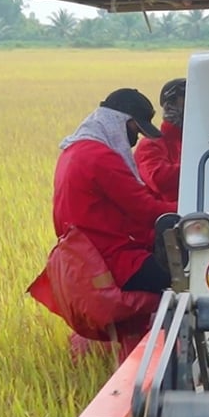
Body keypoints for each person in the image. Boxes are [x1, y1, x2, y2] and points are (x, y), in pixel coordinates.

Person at [52, 88, 176, 294]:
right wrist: (189, 210)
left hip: (82, 256)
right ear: (121, 122)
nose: (135, 139)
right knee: (185, 276)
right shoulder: (101, 158)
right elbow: (145, 209)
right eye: (136, 130)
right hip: (109, 259)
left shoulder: (73, 150)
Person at [135, 78, 185, 204]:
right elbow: (159, 179)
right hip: (163, 214)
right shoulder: (150, 144)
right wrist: (198, 169)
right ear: (169, 106)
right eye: (186, 102)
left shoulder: (196, 142)